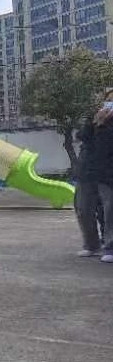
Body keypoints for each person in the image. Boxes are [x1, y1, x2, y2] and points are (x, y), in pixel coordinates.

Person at [75, 88, 113, 262]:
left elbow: (106, 145)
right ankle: (91, 245)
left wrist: (104, 125)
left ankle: (110, 246)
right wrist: (94, 123)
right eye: (108, 100)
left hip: (107, 172)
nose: (110, 104)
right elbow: (81, 136)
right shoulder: (96, 117)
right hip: (87, 170)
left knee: (109, 210)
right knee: (83, 209)